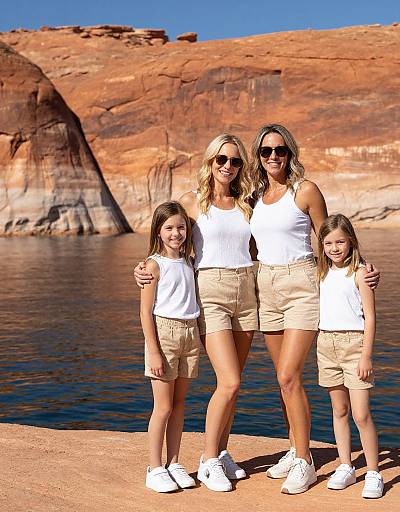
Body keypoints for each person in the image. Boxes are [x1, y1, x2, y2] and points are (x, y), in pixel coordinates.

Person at [249, 124, 380, 494]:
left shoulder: (304, 191)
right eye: (266, 151)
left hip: (302, 284)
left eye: (281, 150)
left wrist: (363, 269)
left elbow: (331, 240)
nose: (273, 157)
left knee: (290, 375)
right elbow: (250, 245)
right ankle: (295, 447)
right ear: (258, 157)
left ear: (291, 153)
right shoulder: (255, 195)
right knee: (282, 379)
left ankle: (305, 462)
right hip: (266, 284)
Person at [135, 134, 257, 492]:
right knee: (229, 380)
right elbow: (167, 234)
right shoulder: (193, 201)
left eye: (235, 161)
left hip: (246, 289)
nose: (228, 167)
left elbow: (254, 246)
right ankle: (206, 461)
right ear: (210, 161)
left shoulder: (246, 203)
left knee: (234, 387)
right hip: (210, 292)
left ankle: (219, 452)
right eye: (221, 159)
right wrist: (142, 269)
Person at [316, 213, 384, 499]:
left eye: (340, 242)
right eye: (329, 243)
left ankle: (373, 472)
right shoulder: (320, 273)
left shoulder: (360, 273)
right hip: (326, 343)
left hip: (354, 344)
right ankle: (346, 465)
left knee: (361, 413)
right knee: (339, 411)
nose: (335, 248)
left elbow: (370, 317)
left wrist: (366, 355)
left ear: (351, 242)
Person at [140, 201, 200, 493]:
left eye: (181, 227)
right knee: (162, 407)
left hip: (190, 335)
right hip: (164, 335)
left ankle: (174, 462)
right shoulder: (154, 265)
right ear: (158, 231)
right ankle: (154, 467)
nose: (176, 233)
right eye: (169, 228)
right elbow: (145, 312)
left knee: (178, 405)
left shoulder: (189, 262)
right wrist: (153, 350)